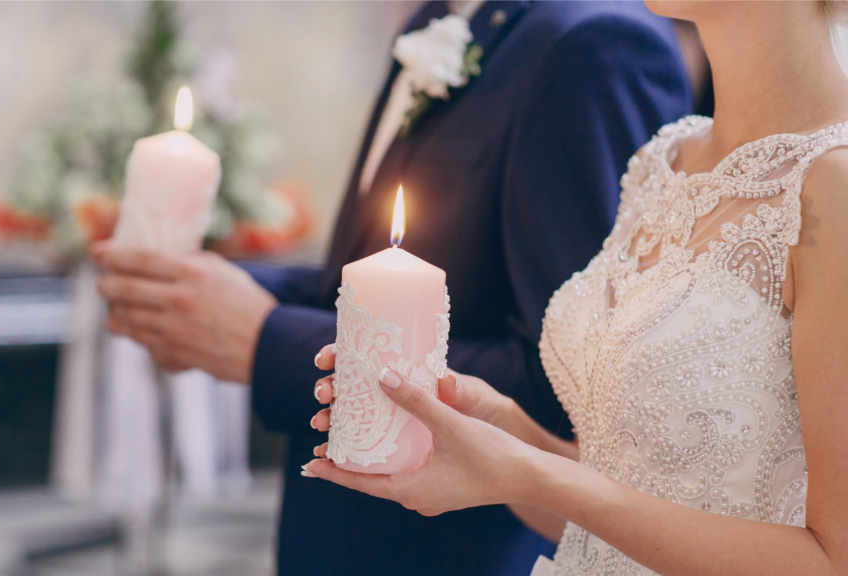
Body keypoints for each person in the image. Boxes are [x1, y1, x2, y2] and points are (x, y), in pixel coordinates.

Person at [93, 2, 692, 575]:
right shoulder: (437, 20)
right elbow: (364, 283)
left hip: (459, 552)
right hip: (338, 536)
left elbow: (566, 386)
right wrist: (203, 289)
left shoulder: (594, 44)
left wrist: (267, 340)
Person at [304, 2, 848, 575]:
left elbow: (834, 560)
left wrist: (533, 471)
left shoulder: (833, 188)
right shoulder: (666, 160)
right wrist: (506, 435)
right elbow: (627, 515)